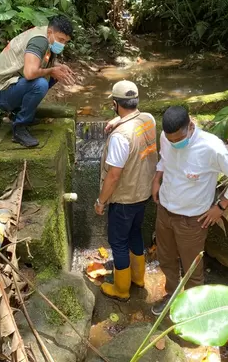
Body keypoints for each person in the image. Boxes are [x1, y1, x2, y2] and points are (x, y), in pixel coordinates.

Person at [150, 106, 228, 315]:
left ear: (190, 127)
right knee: (166, 258)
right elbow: (164, 159)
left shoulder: (212, 148)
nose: (175, 144)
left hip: (192, 219)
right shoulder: (166, 137)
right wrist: (157, 178)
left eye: (179, 139)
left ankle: (192, 309)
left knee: (192, 268)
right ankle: (172, 295)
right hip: (165, 210)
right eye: (171, 141)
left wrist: (221, 207)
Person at [94, 80, 158, 302]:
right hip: (144, 192)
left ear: (115, 103)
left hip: (124, 198)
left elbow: (114, 175)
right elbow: (134, 120)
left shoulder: (121, 137)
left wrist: (101, 201)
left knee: (118, 242)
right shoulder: (148, 119)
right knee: (135, 233)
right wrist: (118, 120)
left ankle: (121, 289)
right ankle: (138, 279)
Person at [0, 15, 76, 148]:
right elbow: (29, 73)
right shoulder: (39, 41)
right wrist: (52, 70)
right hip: (0, 93)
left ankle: (20, 113)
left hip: (11, 87)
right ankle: (20, 128)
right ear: (50, 31)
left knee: (56, 74)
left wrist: (57, 66)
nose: (62, 44)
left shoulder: (46, 36)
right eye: (61, 39)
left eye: (65, 42)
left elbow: (38, 60)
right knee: (40, 84)